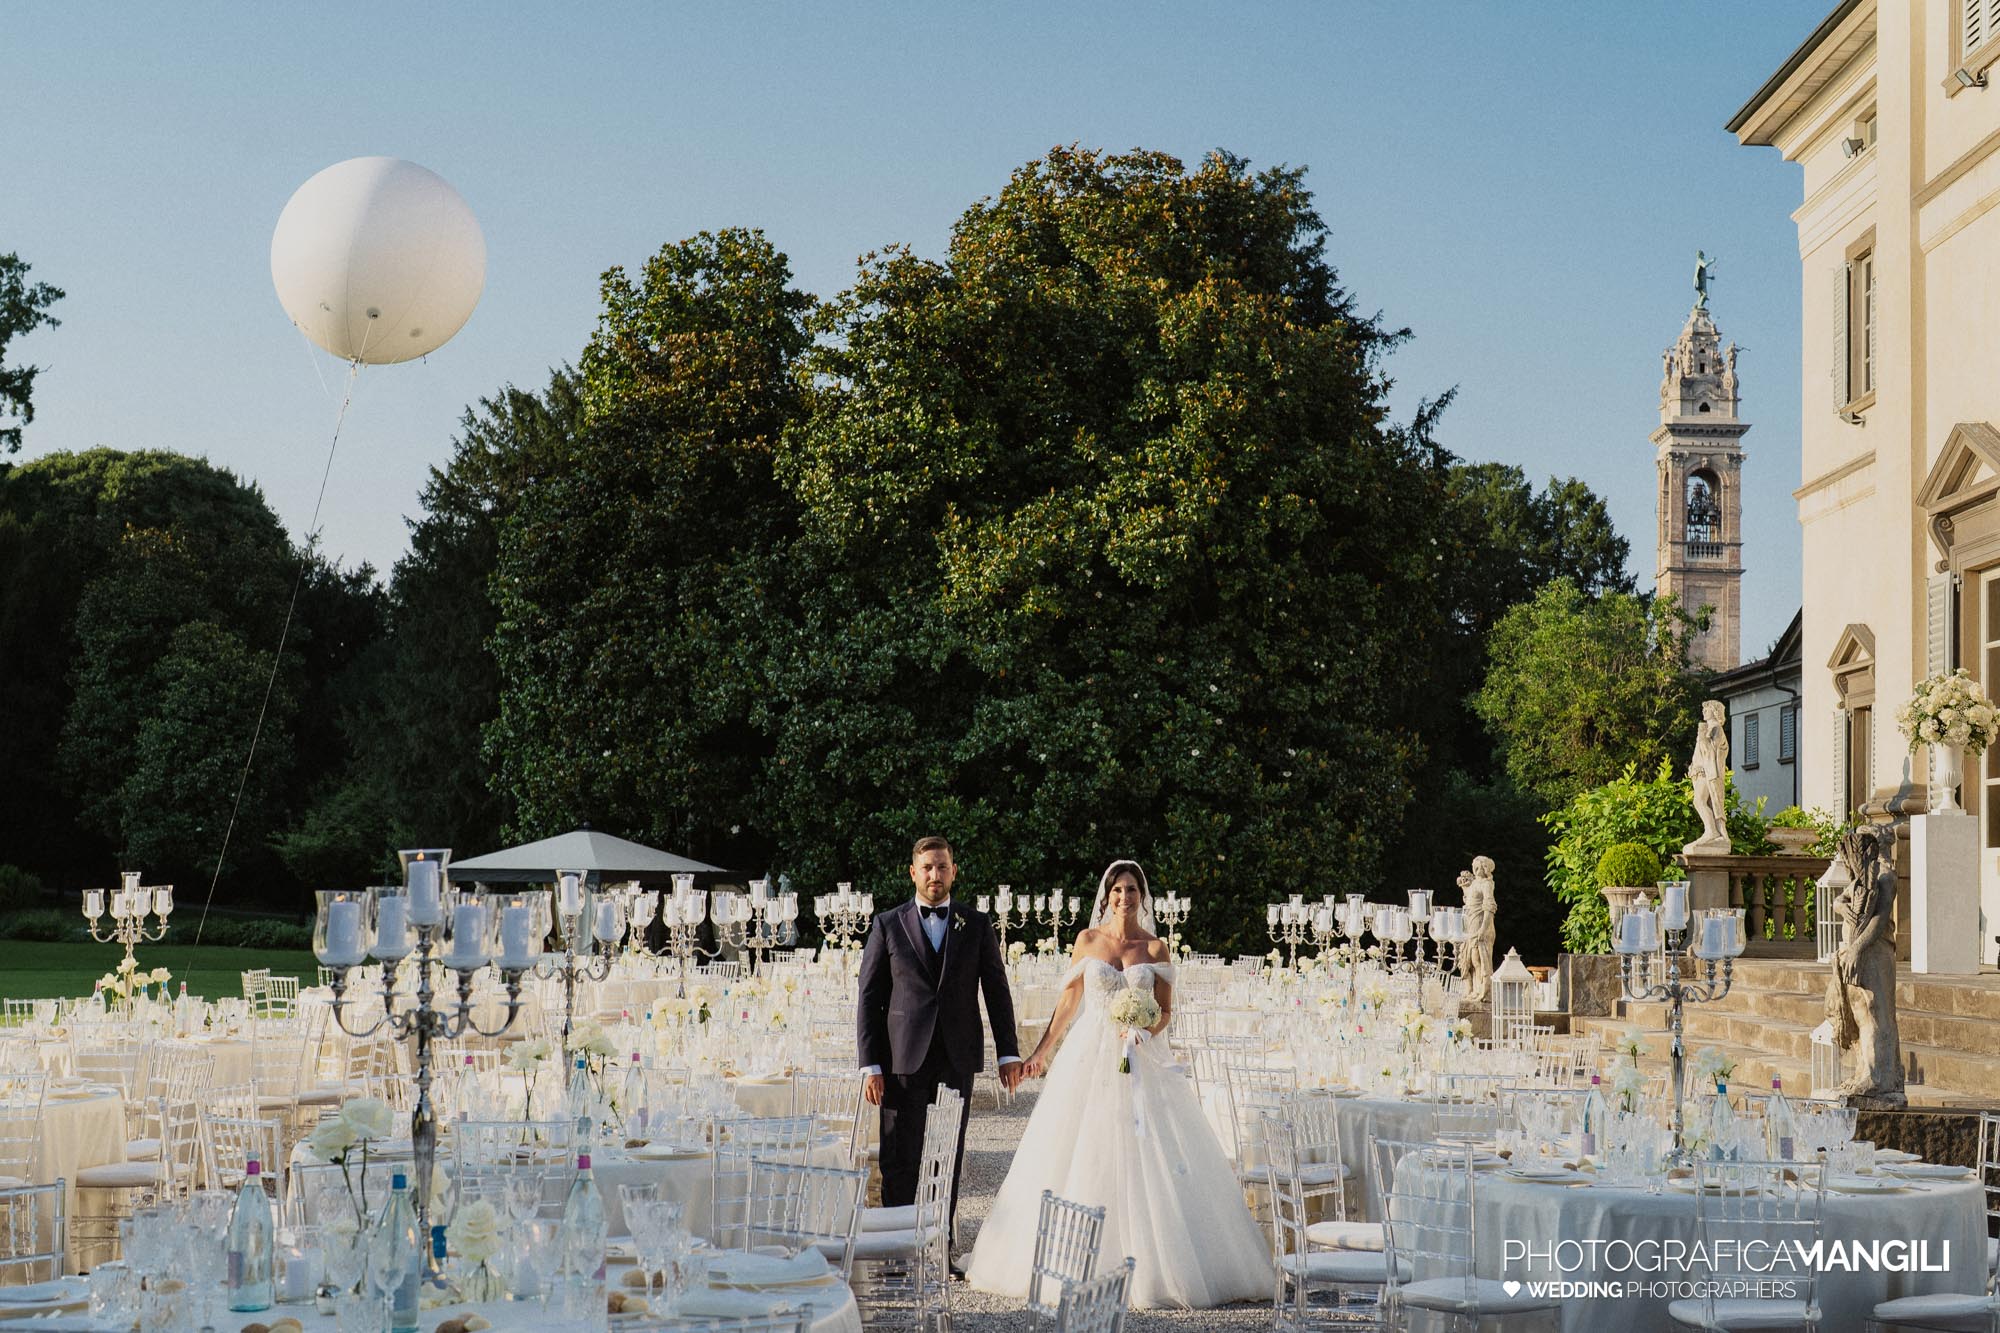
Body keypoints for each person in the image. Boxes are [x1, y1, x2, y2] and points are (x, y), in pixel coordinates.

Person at [965, 861, 1271, 1309]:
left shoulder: (1156, 947)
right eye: (1117, 890)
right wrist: (1041, 1053)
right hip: (1089, 1057)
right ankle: (1077, 1261)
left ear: (1141, 896)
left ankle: (1156, 1265)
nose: (1124, 897)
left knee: (1148, 1151)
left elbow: (1165, 1010)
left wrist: (1146, 1030)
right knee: (1081, 1149)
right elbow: (1069, 1004)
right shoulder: (1088, 941)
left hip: (1139, 1056)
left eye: (1132, 890)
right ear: (1106, 896)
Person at [856, 836, 1023, 1274]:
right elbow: (869, 997)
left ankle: (939, 1250)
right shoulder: (887, 924)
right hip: (901, 1061)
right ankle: (897, 1252)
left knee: (946, 1153)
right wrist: (870, 1064)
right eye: (927, 867)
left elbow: (997, 990)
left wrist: (1009, 1052)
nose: (935, 875)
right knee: (899, 1157)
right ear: (913, 872)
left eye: (942, 867)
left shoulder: (977, 924)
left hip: (955, 1057)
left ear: (954, 871)